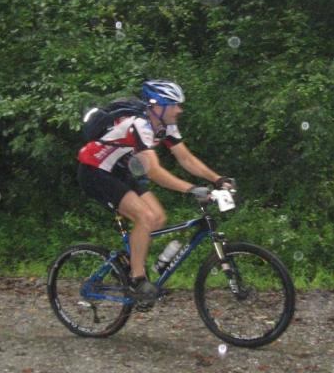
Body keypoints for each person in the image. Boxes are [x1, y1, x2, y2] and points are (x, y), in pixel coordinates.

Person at [77, 79, 235, 304]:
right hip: (95, 171)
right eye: (174, 105)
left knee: (158, 217)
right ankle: (137, 280)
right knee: (145, 217)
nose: (179, 110)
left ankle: (130, 266)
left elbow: (186, 158)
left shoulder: (165, 125)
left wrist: (217, 179)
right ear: (158, 106)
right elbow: (152, 171)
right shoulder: (139, 124)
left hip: (119, 170)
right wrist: (191, 189)